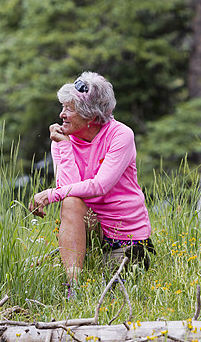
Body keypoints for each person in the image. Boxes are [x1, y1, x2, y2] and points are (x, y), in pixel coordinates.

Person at [30, 71, 154, 292]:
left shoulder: (120, 135)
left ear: (91, 117)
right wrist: (65, 147)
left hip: (126, 237)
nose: (62, 115)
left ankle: (108, 262)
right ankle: (73, 287)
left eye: (69, 109)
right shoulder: (62, 139)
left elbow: (99, 187)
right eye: (63, 107)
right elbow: (69, 190)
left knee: (117, 290)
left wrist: (49, 195)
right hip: (93, 229)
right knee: (70, 201)